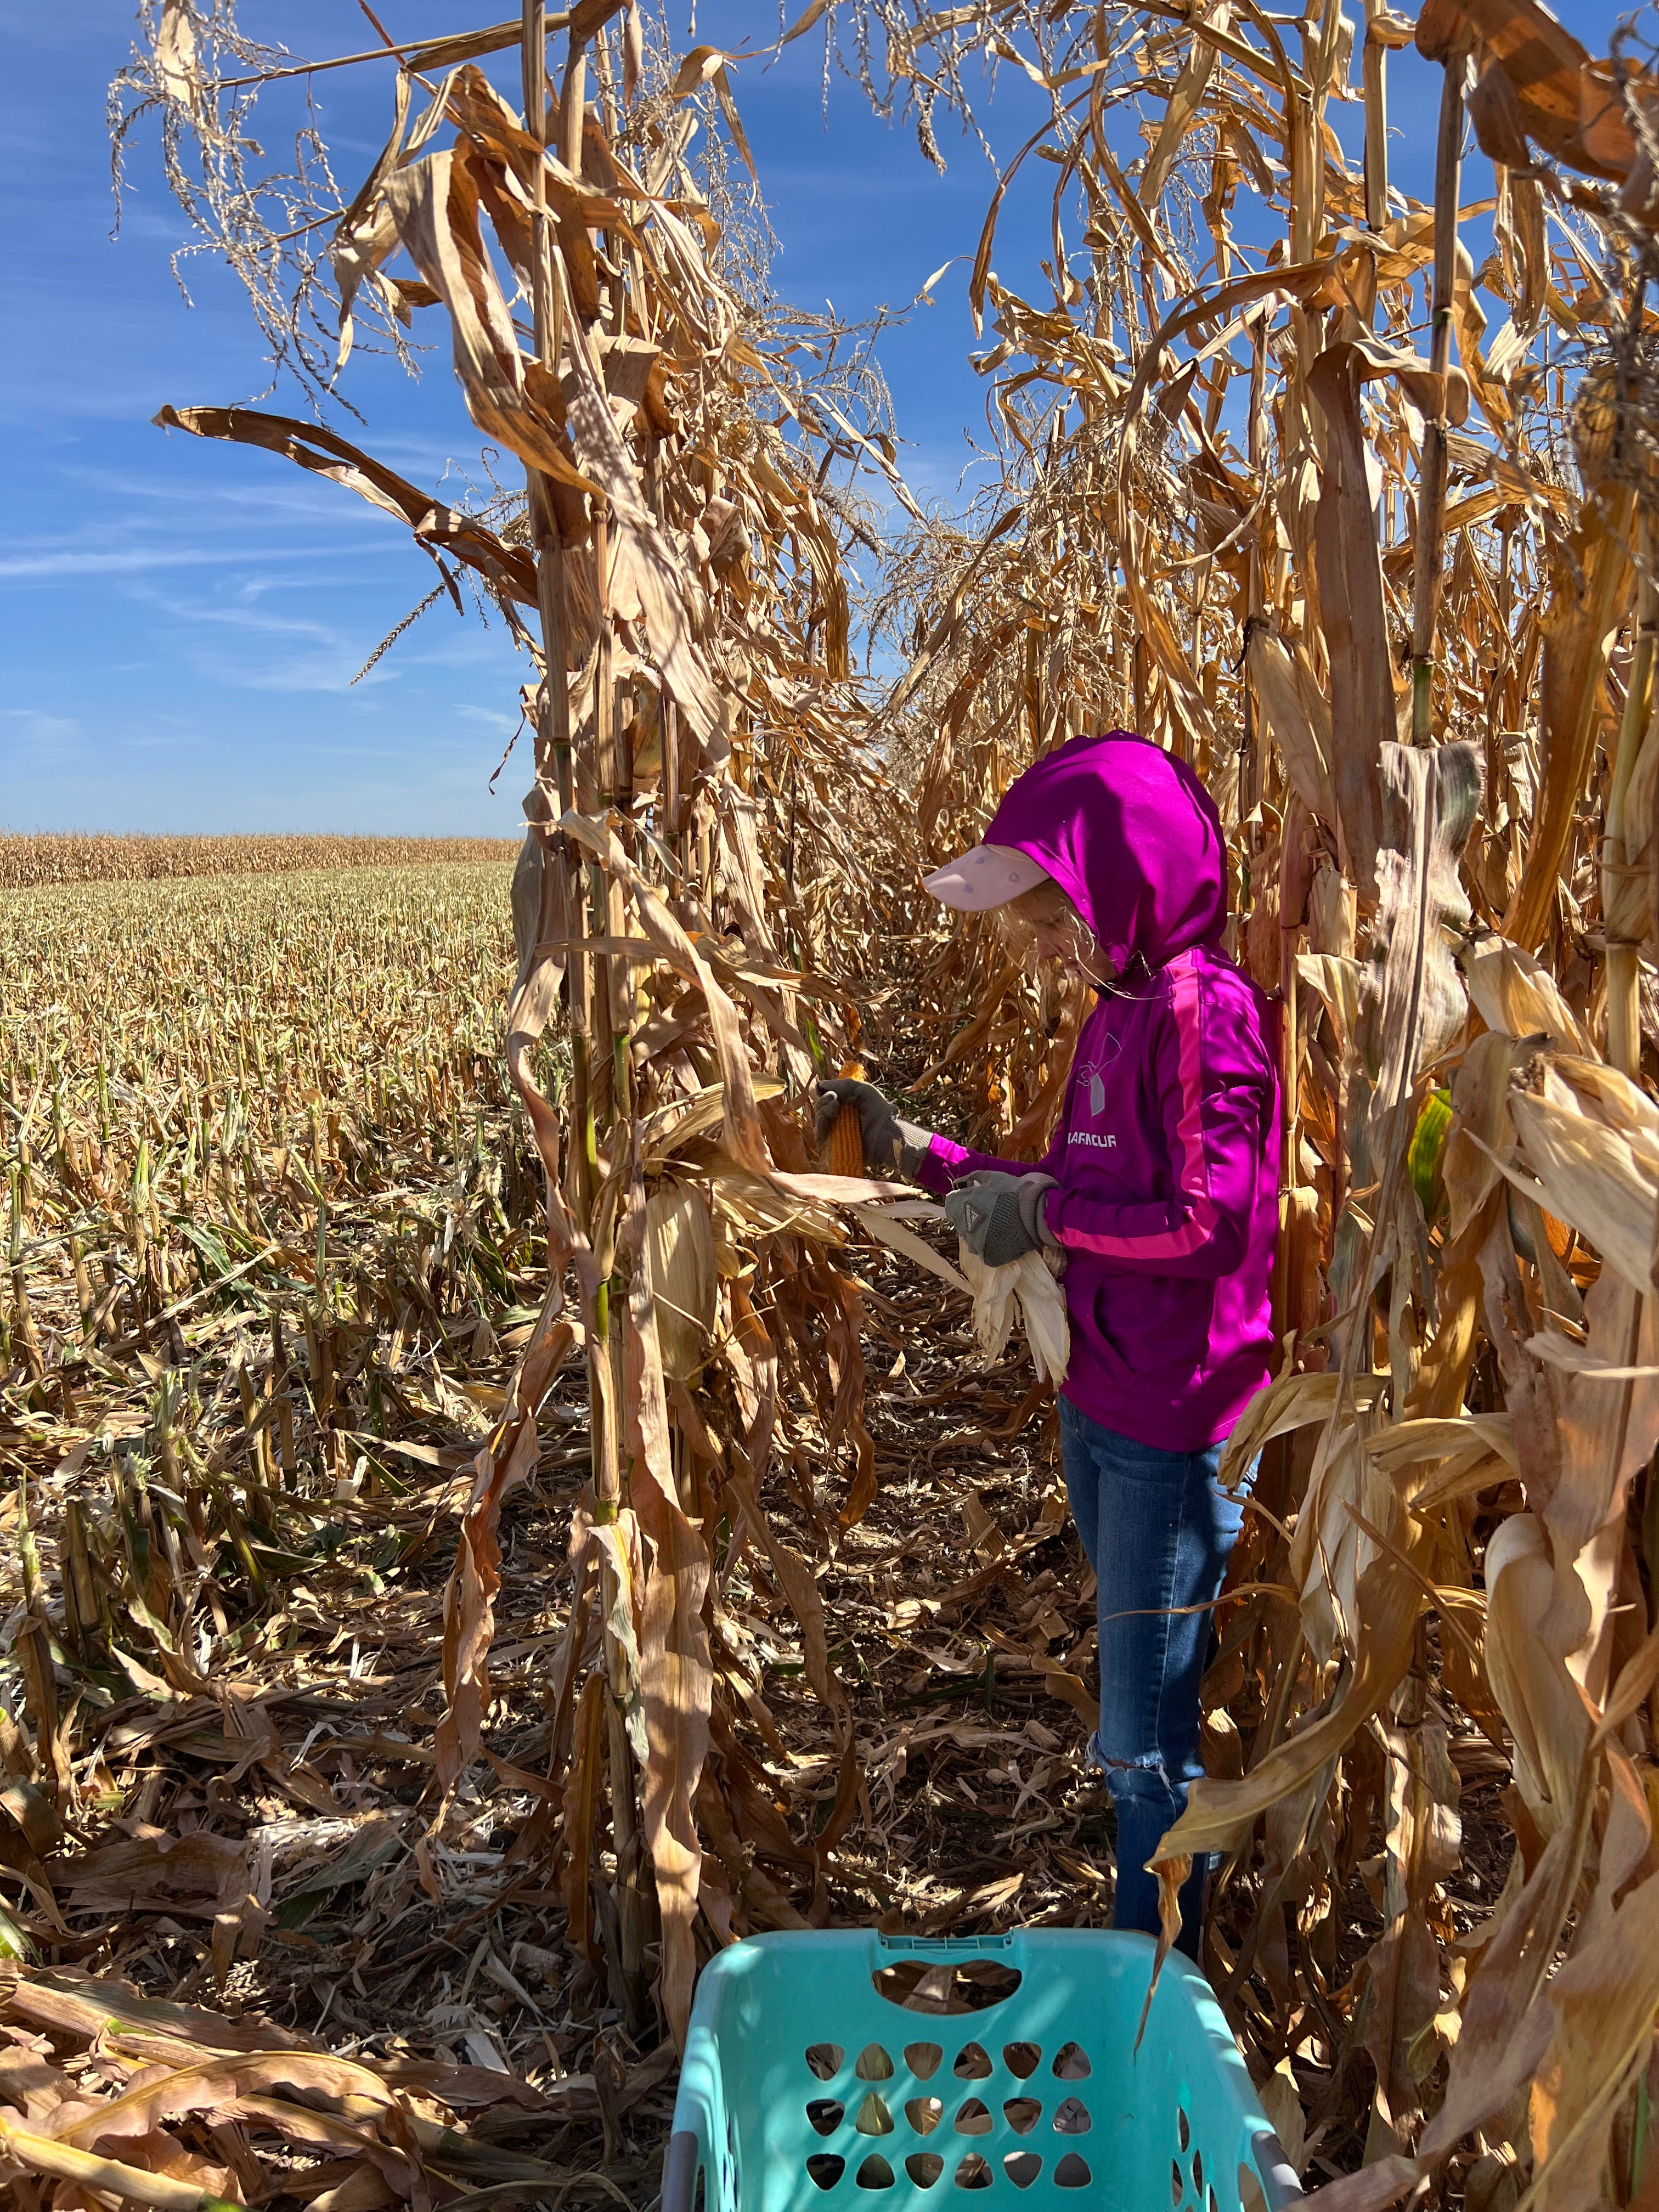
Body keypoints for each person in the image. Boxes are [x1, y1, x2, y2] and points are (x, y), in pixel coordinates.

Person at [816, 731, 1279, 1960]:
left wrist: (1047, 1216)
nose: (1035, 945)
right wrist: (928, 1158)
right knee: (1139, 1711)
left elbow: (1212, 1224)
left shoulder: (1201, 1012)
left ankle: (1157, 1977)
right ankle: (1156, 1934)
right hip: (1101, 1397)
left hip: (1171, 1429)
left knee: (1141, 1741)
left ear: (1119, 888)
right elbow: (1075, 1191)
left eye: (1045, 916)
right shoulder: (1117, 1016)